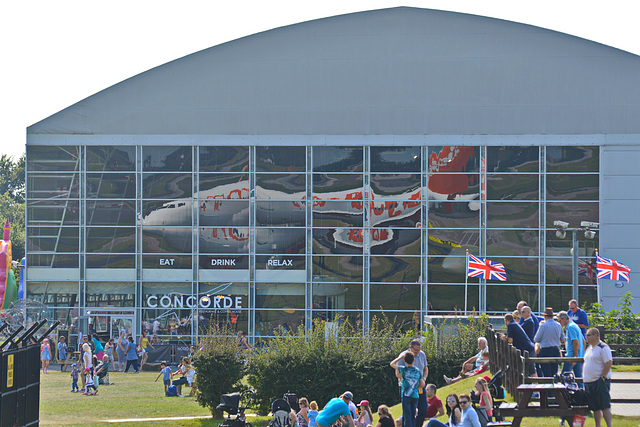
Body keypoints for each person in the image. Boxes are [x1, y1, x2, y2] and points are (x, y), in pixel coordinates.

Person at [394, 339, 429, 427]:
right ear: (410, 348)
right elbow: (397, 372)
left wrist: (423, 379)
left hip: (419, 386)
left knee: (423, 409)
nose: (418, 352)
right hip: (406, 387)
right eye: (416, 350)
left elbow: (425, 368)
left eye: (419, 350)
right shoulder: (404, 356)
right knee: (408, 411)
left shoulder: (422, 354)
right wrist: (410, 378)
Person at [583, 328, 613, 427]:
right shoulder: (589, 348)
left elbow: (608, 362)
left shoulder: (603, 347)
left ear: (595, 335)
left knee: (604, 405)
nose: (586, 337)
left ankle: (609, 425)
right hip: (589, 382)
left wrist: (603, 377)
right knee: (595, 407)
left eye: (588, 335)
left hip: (599, 381)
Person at [533, 307, 565, 378]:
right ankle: (553, 387)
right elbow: (563, 339)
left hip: (545, 350)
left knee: (546, 373)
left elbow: (536, 339)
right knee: (554, 372)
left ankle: (548, 388)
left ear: (545, 316)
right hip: (556, 350)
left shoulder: (543, 326)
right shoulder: (558, 325)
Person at [558, 310, 585, 382]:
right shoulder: (575, 325)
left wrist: (574, 357)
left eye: (560, 321)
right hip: (579, 356)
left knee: (564, 376)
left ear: (564, 318)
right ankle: (581, 391)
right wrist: (582, 354)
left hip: (571, 356)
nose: (559, 323)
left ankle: (564, 392)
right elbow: (583, 340)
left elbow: (575, 342)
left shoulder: (570, 327)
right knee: (579, 377)